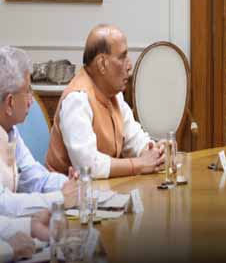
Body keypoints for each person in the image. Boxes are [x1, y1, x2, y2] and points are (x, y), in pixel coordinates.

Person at [46, 25, 164, 179]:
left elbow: (133, 138)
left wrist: (155, 151)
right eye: (122, 57)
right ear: (102, 64)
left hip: (104, 189)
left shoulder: (114, 94)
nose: (129, 66)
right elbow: (88, 166)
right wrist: (139, 164)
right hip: (67, 191)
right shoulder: (77, 99)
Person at [0, 46, 78, 217]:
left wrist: (70, 185)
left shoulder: (10, 132)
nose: (31, 100)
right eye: (28, 90)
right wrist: (60, 198)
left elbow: (35, 179)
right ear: (10, 102)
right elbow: (3, 204)